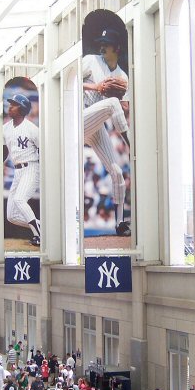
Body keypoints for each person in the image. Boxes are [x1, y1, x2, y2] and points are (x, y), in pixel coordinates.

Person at [82, 27, 131, 236]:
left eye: (107, 43)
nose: (102, 46)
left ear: (117, 48)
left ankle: (120, 223)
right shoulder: (91, 60)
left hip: (96, 126)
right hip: (79, 118)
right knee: (111, 102)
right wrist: (97, 87)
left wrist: (118, 95)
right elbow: (71, 82)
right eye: (101, 42)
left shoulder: (122, 76)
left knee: (118, 173)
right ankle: (131, 143)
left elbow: (124, 107)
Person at [3, 94, 42, 247]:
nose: (10, 106)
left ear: (23, 109)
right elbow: (2, 151)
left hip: (31, 167)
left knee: (19, 199)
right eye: (10, 103)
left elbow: (44, 150)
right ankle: (44, 228)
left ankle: (38, 235)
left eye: (14, 104)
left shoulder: (32, 129)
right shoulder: (5, 128)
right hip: (17, 171)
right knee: (11, 216)